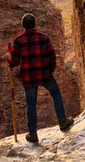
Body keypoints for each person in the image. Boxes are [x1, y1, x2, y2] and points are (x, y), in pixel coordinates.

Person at [8, 13, 74, 143]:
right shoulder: (44, 38)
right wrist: (50, 70)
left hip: (28, 77)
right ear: (34, 24)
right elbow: (51, 56)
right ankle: (63, 121)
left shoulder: (18, 40)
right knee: (56, 94)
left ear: (23, 26)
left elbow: (14, 62)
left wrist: (8, 59)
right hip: (44, 74)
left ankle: (32, 134)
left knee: (31, 104)